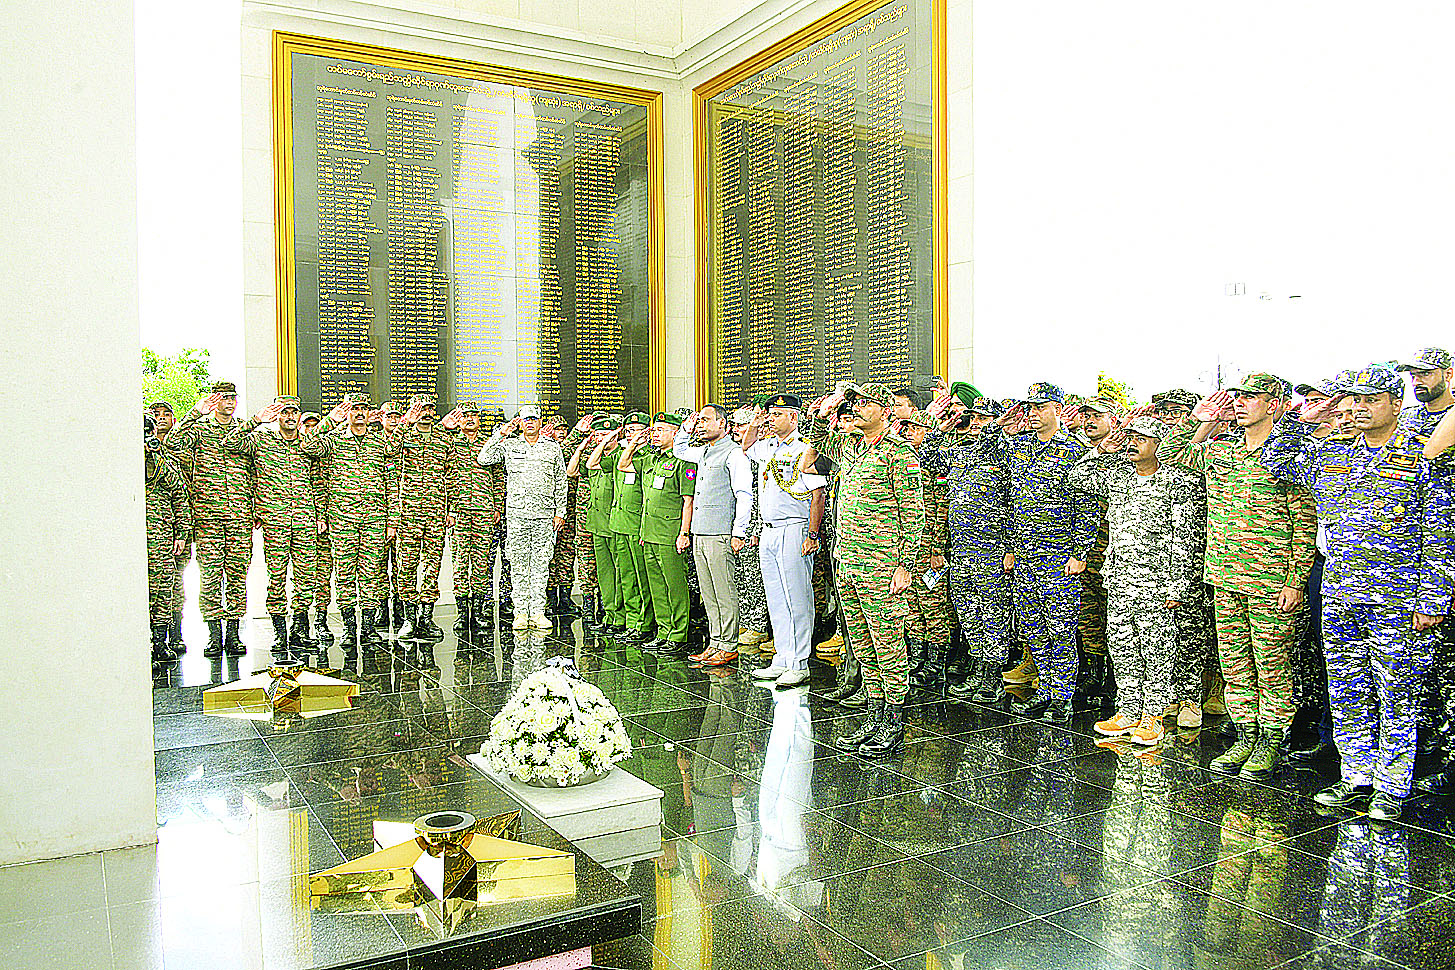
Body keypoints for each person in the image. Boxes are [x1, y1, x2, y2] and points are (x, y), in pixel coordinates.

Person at [1263, 365, 1453, 821]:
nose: (1360, 408)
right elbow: (1275, 460)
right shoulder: (1333, 451)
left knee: (1397, 695)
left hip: (1398, 598)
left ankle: (1392, 787)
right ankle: (1356, 779)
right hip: (1341, 592)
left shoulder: (1422, 454)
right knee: (1348, 692)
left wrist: (1433, 598)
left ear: (1396, 403)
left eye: (1372, 400)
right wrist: (1306, 418)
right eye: (1355, 400)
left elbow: (1441, 529)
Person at [1162, 375, 1317, 779]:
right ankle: (1246, 736)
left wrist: (1295, 580)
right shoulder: (1223, 450)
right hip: (1225, 574)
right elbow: (1172, 455)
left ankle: (1271, 742)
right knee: (1234, 664)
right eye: (1238, 397)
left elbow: (1304, 521)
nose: (1241, 403)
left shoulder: (1289, 454)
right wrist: (1199, 418)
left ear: (1274, 404)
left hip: (1271, 579)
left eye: (1251, 397)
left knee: (1272, 666)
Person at [1068, 415, 1204, 746]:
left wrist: (1177, 585)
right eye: (1129, 437)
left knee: (1157, 649)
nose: (1131, 443)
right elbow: (1076, 478)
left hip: (1157, 582)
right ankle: (1128, 711)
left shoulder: (1178, 483)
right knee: (1122, 646)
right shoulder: (1120, 477)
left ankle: (1154, 716)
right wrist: (1101, 450)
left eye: (1140, 439)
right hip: (1119, 580)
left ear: (1160, 445)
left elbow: (1185, 537)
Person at [809, 382, 924, 755]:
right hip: (848, 562)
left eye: (864, 404)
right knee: (862, 644)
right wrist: (826, 411)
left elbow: (913, 513)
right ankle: (874, 717)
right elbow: (815, 442)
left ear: (886, 411)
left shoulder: (900, 454)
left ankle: (894, 722)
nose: (855, 409)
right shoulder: (850, 447)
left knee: (887, 644)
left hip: (882, 566)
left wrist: (905, 565)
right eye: (853, 404)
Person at [976, 382, 1100, 723]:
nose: (1033, 413)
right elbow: (1001, 488)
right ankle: (1044, 691)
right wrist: (1011, 549)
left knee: (1060, 630)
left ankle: (1062, 698)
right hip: (1024, 555)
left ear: (1058, 409)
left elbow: (1087, 506)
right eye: (1030, 407)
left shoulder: (1076, 450)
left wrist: (1080, 552)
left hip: (1059, 555)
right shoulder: (1018, 446)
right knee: (1033, 629)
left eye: (1040, 407)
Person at [922, 392, 1014, 706]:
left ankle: (992, 678)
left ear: (998, 421)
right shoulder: (961, 452)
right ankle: (977, 668)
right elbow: (927, 460)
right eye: (973, 417)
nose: (975, 423)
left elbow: (1014, 502)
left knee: (992, 614)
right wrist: (939, 429)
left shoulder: (1005, 453)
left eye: (983, 418)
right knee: (969, 613)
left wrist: (996, 428)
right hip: (961, 548)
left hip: (992, 548)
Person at [300, 395, 408, 656]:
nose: (359, 413)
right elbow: (308, 445)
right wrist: (330, 420)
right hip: (342, 519)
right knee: (345, 574)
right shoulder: (333, 439)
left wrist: (392, 520)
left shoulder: (380, 442)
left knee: (371, 573)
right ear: (347, 413)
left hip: (374, 519)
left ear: (371, 414)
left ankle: (368, 628)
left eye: (363, 409)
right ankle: (349, 628)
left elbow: (392, 482)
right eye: (354, 409)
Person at [221, 395, 320, 658]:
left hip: (304, 519)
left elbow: (320, 469)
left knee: (306, 578)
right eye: (284, 412)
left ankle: (300, 629)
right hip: (275, 520)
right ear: (277, 415)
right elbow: (230, 442)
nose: (290, 417)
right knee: (276, 577)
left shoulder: (307, 443)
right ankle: (279, 631)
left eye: (294, 412)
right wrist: (255, 420)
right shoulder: (262, 440)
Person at [741, 394, 827, 688]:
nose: (771, 419)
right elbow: (746, 447)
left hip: (794, 527)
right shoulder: (768, 447)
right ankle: (782, 657)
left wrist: (812, 534)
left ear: (793, 417)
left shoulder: (805, 449)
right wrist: (755, 422)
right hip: (769, 529)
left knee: (797, 597)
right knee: (776, 597)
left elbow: (818, 495)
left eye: (777, 414)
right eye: (770, 414)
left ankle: (799, 662)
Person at [166, 380, 253, 657]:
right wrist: (195, 413)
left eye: (232, 397)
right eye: (224, 397)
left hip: (239, 514)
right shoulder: (200, 428)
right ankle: (214, 635)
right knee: (211, 576)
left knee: (238, 575)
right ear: (214, 400)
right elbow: (172, 442)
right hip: (208, 515)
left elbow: (255, 468)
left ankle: (234, 634)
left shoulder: (244, 430)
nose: (229, 402)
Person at [477, 405, 568, 631]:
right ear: (520, 422)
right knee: (518, 565)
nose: (530, 423)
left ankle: (537, 612)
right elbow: (483, 458)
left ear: (540, 422)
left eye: (534, 419)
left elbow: (561, 481)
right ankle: (520, 613)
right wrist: (500, 433)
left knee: (541, 564)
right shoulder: (510, 445)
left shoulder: (552, 448)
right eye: (526, 419)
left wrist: (560, 512)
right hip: (518, 516)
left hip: (544, 516)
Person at [676, 405, 753, 666]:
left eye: (706, 420)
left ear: (723, 424)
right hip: (701, 531)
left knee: (724, 591)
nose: (701, 424)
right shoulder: (705, 451)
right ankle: (715, 642)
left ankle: (729, 644)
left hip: (720, 532)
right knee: (708, 592)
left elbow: (744, 495)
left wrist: (739, 531)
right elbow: (680, 450)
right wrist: (686, 429)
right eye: (699, 420)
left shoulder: (734, 453)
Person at [620, 412, 695, 654]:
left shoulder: (684, 461)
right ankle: (663, 631)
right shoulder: (651, 459)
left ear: (675, 433)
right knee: (657, 586)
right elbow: (623, 465)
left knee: (674, 585)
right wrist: (634, 442)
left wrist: (684, 533)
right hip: (649, 531)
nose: (654, 434)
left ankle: (678, 633)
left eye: (660, 430)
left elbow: (688, 501)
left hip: (670, 533)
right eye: (653, 430)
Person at [896, 410, 954, 695]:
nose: (908, 433)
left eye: (916, 429)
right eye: (906, 428)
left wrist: (937, 548)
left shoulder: (934, 463)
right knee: (912, 607)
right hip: (909, 548)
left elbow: (942, 509)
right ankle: (918, 658)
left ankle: (936, 663)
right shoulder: (903, 461)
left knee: (933, 606)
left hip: (930, 546)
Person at [394, 396, 451, 645]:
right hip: (408, 512)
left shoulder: (444, 439)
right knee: (406, 566)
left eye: (429, 409)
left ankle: (426, 618)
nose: (426, 413)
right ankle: (408, 619)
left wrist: (450, 509)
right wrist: (406, 422)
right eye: (421, 409)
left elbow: (452, 475)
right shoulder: (403, 435)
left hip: (435, 513)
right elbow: (387, 450)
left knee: (432, 566)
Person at [441, 402, 500, 640]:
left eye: (474, 415)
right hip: (459, 510)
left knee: (481, 562)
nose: (469, 419)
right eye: (465, 415)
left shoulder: (488, 443)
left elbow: (498, 476)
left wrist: (497, 505)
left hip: (484, 509)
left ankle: (478, 612)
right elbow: (443, 476)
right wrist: (448, 508)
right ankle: (462, 613)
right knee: (460, 562)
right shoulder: (450, 442)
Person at [596, 411, 655, 643]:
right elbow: (594, 463)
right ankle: (631, 621)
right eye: (628, 431)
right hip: (619, 523)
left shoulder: (649, 456)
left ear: (646, 432)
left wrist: (635, 444)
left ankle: (644, 623)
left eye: (636, 431)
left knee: (642, 578)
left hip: (637, 524)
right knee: (626, 577)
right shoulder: (621, 454)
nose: (631, 435)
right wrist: (608, 440)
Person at [144, 414, 191, 667]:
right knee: (144, 592)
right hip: (135, 536)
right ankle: (143, 645)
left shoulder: (165, 461)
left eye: (149, 432)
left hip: (162, 535)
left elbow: (180, 497)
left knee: (164, 589)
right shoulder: (121, 459)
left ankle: (160, 642)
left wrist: (182, 533)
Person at [729, 407, 771, 654]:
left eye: (741, 426)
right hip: (740, 524)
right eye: (735, 425)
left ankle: (758, 625)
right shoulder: (738, 452)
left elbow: (757, 495)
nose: (737, 430)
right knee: (742, 578)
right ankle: (746, 620)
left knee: (755, 580)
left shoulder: (757, 454)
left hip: (755, 526)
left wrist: (753, 529)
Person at [299, 410, 335, 645]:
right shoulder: (296, 450)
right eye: (307, 426)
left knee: (324, 573)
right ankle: (301, 624)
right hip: (303, 520)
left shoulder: (329, 450)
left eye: (316, 426)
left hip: (331, 520)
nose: (312, 430)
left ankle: (321, 621)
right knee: (304, 576)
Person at [1395, 347, 1454, 434]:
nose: (1416, 382)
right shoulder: (1406, 416)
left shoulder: (1452, 416)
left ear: (1448, 375)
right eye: (1413, 375)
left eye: (1425, 374)